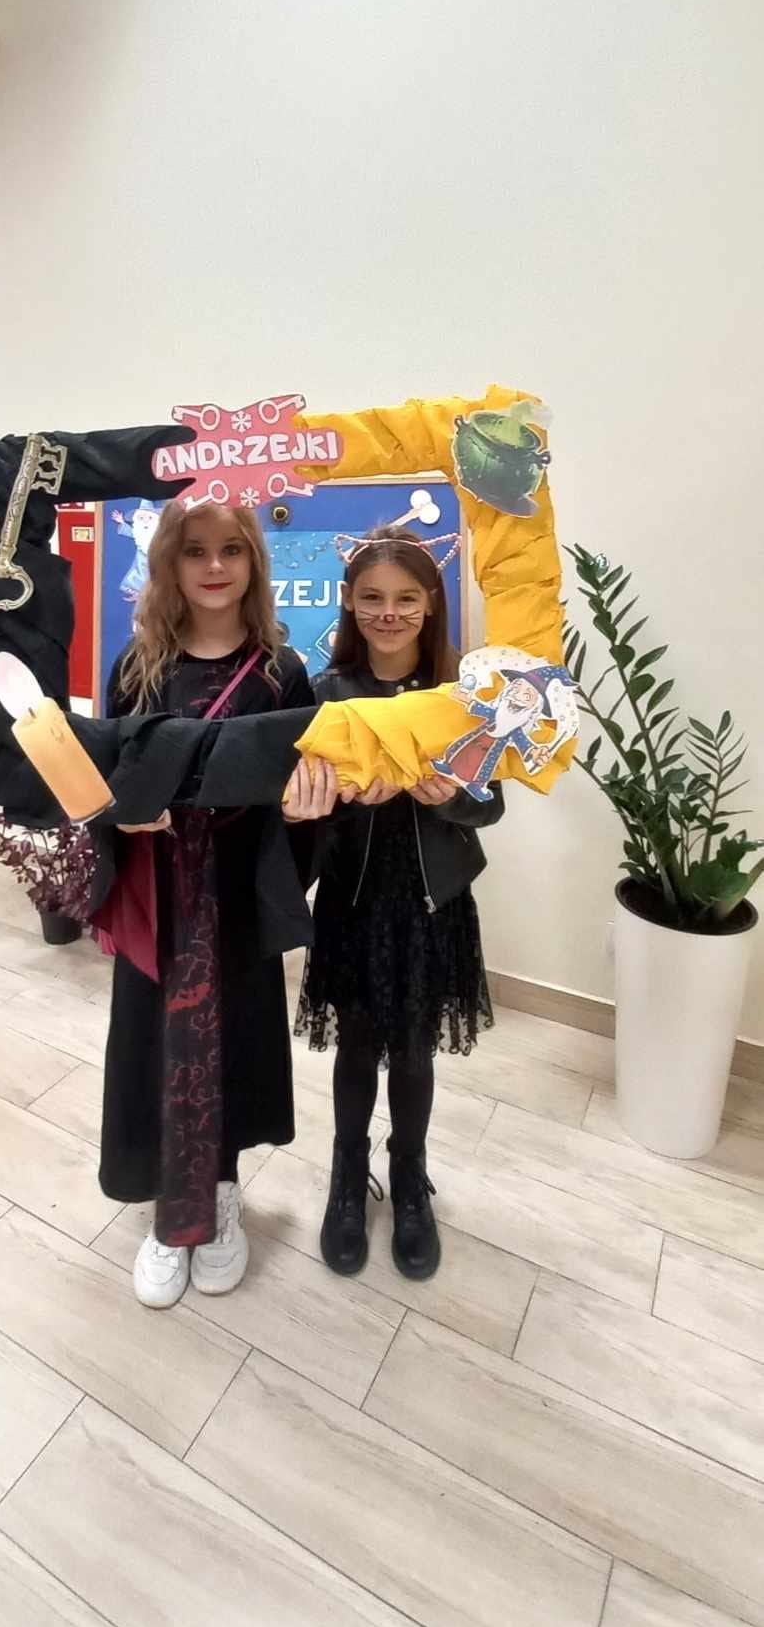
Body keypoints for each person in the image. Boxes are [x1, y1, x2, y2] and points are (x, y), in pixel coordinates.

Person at [99, 500, 319, 1310]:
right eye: (196, 551)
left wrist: (305, 814)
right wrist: (122, 814)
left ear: (255, 561)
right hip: (158, 896)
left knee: (235, 1043)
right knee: (153, 1044)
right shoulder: (137, 669)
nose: (216, 566)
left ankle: (219, 1193)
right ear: (169, 562)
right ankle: (170, 1211)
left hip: (237, 895)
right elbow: (102, 782)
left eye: (233, 549)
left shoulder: (281, 675)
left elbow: (298, 800)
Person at [285, 525, 503, 1282]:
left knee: (413, 1050)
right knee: (355, 1045)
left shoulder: (464, 699)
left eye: (406, 598)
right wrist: (344, 803)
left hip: (432, 900)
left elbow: (491, 805)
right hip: (353, 898)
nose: (389, 612)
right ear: (349, 602)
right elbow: (303, 808)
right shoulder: (326, 696)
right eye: (372, 597)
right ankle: (348, 1176)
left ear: (431, 603)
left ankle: (409, 1176)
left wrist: (449, 799)